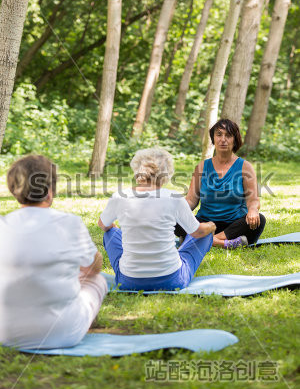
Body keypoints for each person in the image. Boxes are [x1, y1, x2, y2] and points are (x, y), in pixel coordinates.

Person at [0, 155, 107, 349]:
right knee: (97, 280)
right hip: (62, 333)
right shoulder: (70, 223)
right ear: (49, 192)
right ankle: (87, 321)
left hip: (5, 334)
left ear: (13, 190)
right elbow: (94, 268)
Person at [98, 148, 216, 291]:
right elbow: (197, 233)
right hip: (172, 280)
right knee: (205, 233)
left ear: (137, 169)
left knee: (110, 234)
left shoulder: (119, 196)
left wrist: (115, 229)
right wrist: (210, 226)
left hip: (128, 281)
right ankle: (173, 257)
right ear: (167, 173)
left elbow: (103, 225)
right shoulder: (174, 198)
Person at [176, 119, 266, 249]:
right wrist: (176, 211)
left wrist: (252, 210)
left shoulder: (245, 167)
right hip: (205, 223)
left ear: (235, 139)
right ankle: (224, 243)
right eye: (219, 134)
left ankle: (201, 240)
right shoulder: (202, 167)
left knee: (259, 220)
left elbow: (253, 200)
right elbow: (191, 200)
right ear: (213, 138)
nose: (223, 139)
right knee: (173, 218)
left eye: (228, 135)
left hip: (233, 225)